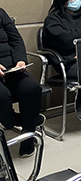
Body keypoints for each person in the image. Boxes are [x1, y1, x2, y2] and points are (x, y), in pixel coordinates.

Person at [0, 8, 43, 157]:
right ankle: (14, 121)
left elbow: (15, 39)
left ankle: (28, 139)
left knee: (31, 89)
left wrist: (20, 60)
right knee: (2, 97)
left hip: (11, 68)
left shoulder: (1, 13)